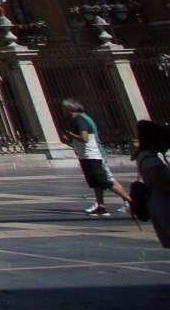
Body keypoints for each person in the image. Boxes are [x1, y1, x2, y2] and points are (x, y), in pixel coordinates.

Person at [61, 99, 132, 215]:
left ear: (68, 109)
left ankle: (130, 201)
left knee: (104, 181)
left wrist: (70, 134)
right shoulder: (79, 119)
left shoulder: (80, 120)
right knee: (96, 181)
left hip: (92, 155)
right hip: (88, 155)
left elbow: (84, 138)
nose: (63, 111)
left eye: (64, 109)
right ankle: (100, 206)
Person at [135, 120, 170, 248]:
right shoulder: (153, 162)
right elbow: (162, 188)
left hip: (157, 202)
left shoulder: (143, 156)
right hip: (164, 203)